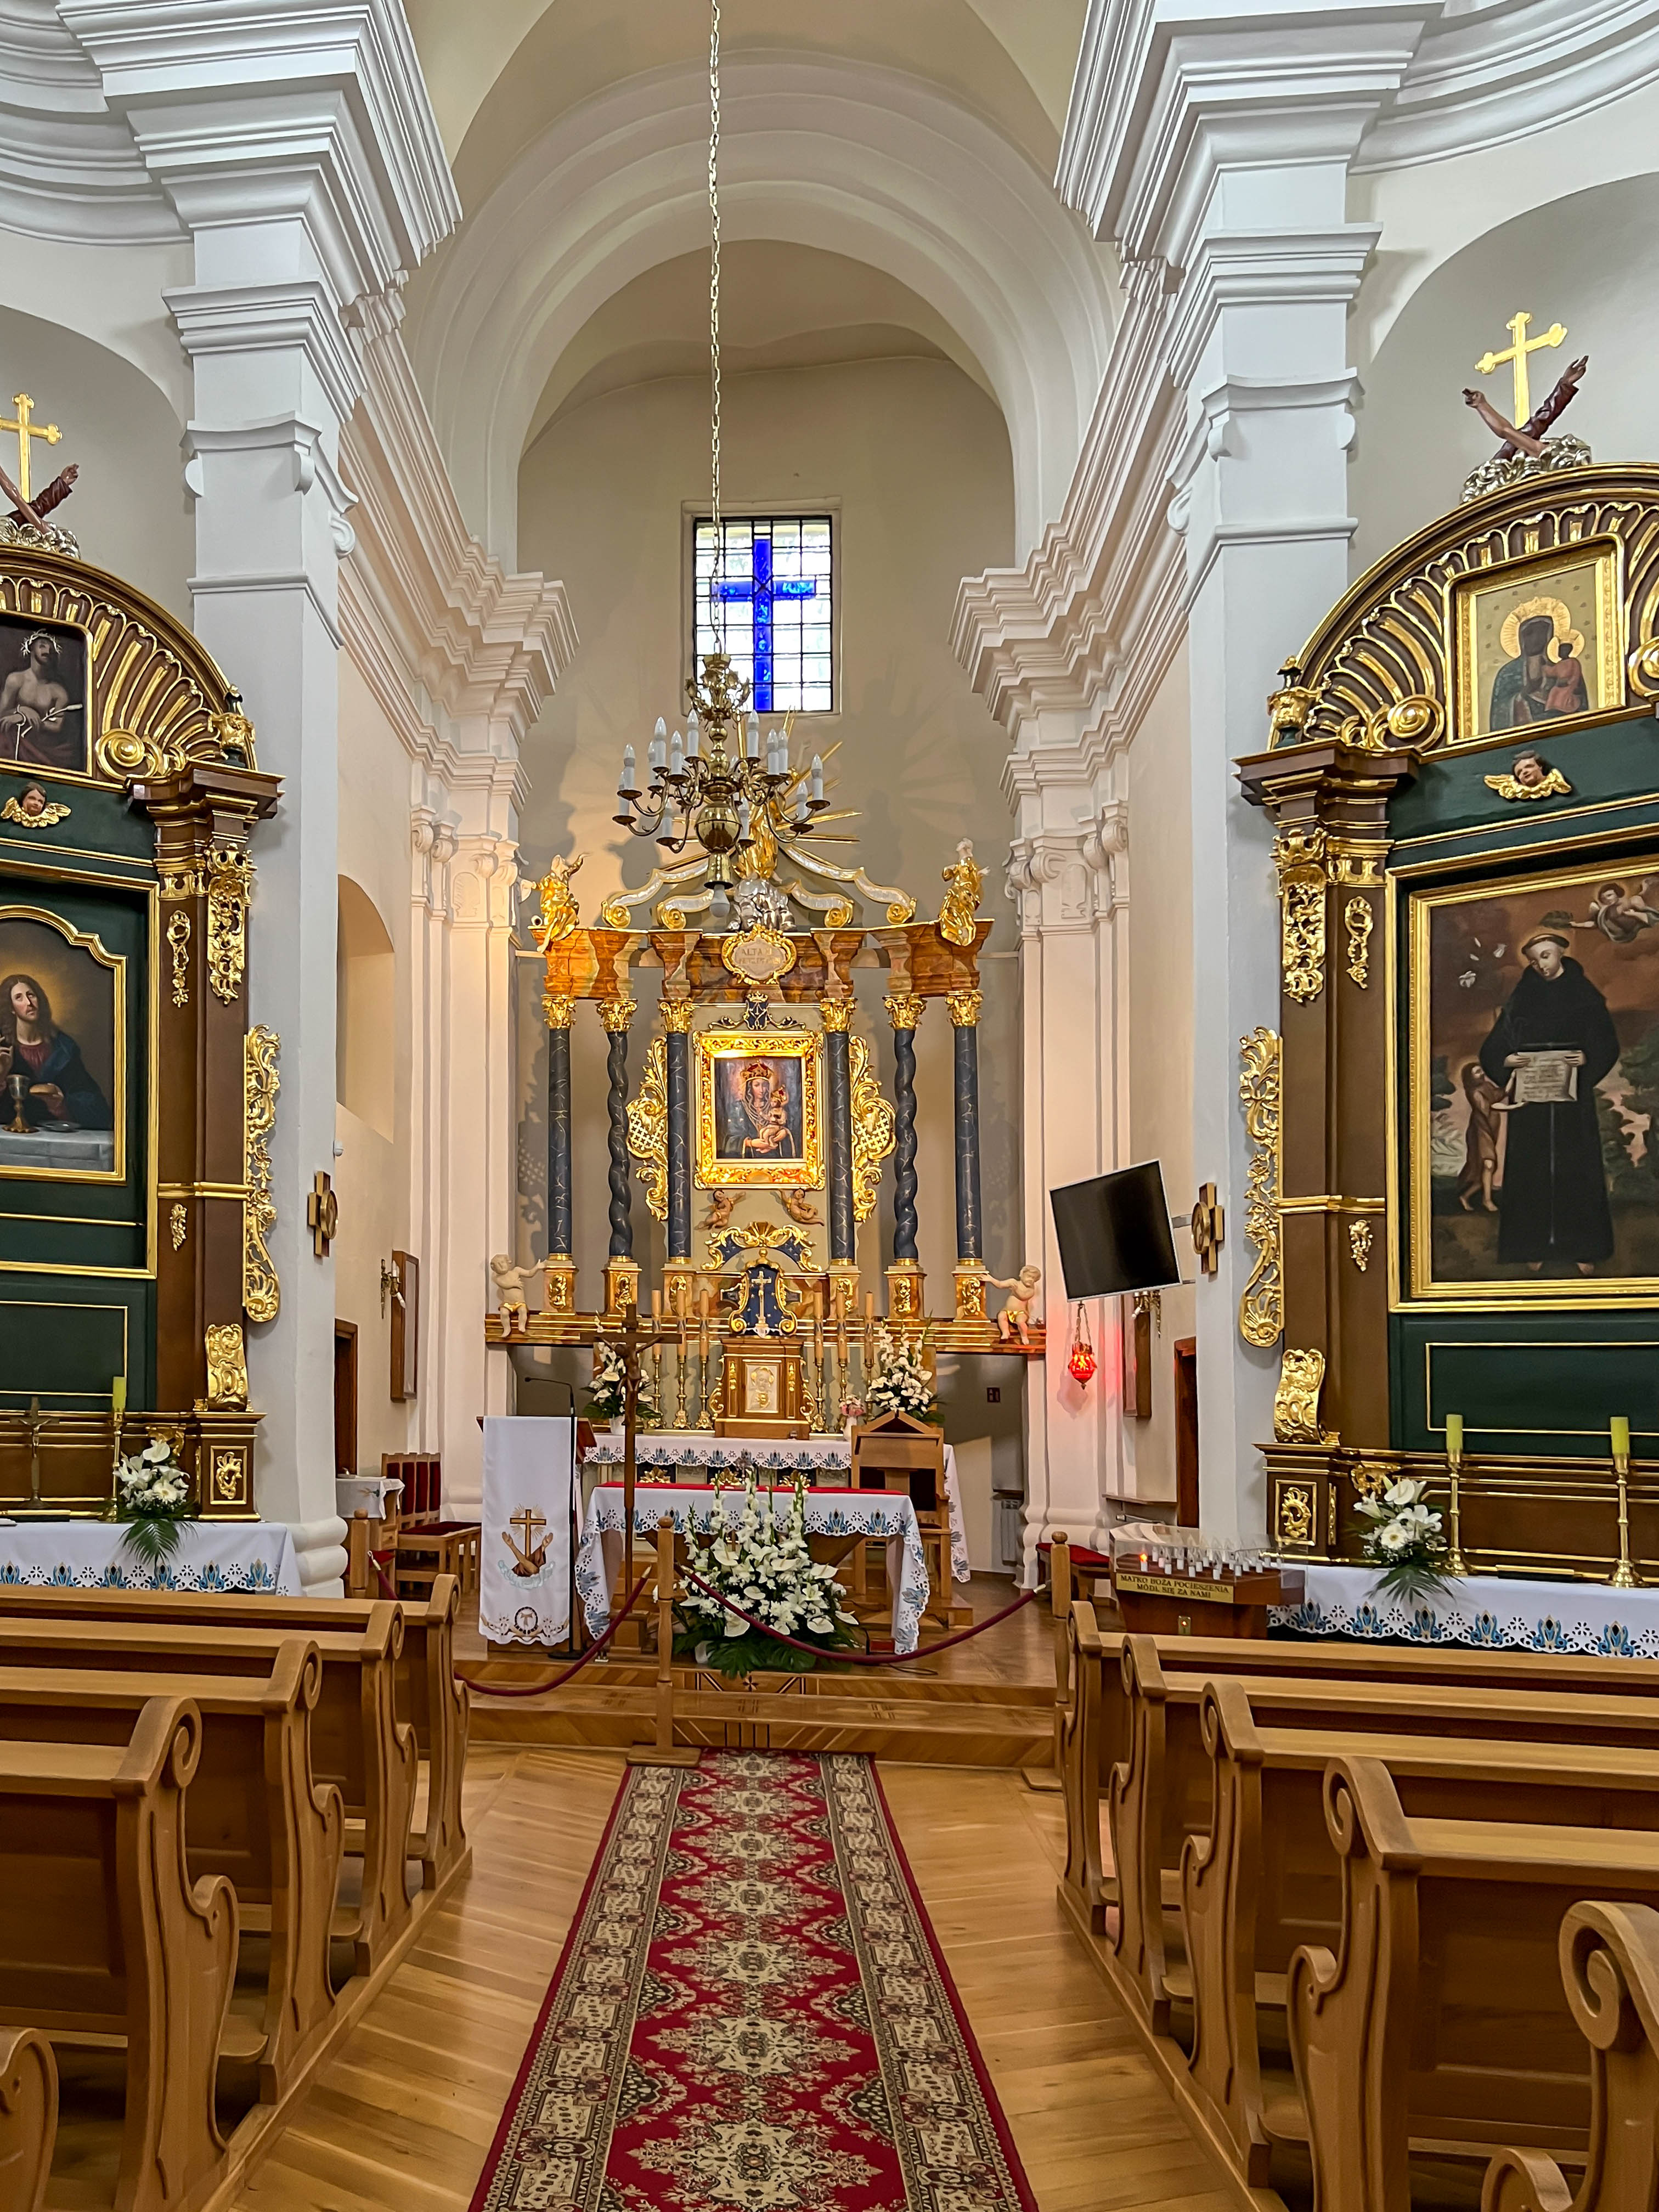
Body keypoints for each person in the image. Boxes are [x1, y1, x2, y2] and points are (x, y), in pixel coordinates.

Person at [1476, 929, 1618, 1272]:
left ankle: (1584, 1248)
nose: (1540, 965)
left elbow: (1606, 1041)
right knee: (1531, 1170)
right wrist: (1508, 1060)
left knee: (1577, 1169)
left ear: (1560, 953)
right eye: (1534, 960)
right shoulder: (1523, 996)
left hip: (1573, 1101)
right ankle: (1532, 1245)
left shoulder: (1584, 994)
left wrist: (1586, 1058)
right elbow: (1494, 1047)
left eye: (1546, 955)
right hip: (1532, 1104)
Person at [0, 971, 111, 1130]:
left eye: (31, 995)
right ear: (11, 1008)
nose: (29, 1003)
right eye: (19, 998)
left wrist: (62, 1104)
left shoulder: (64, 1048)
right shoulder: (3, 1048)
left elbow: (97, 1108)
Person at [1489, 612, 1589, 730]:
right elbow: (1499, 712)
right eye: (1530, 634)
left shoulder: (1566, 667)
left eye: (1541, 632)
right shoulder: (1509, 672)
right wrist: (1523, 694)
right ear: (1521, 639)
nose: (1536, 639)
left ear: (1549, 636)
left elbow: (1582, 707)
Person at [0, 633, 79, 770]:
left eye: (51, 649)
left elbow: (57, 726)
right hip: (12, 745)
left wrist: (32, 721)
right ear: (31, 648)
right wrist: (23, 711)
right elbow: (2, 714)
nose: (47, 651)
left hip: (42, 749)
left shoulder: (58, 691)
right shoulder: (16, 680)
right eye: (42, 646)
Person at [1455, 1060, 1506, 1214]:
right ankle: (1487, 1200)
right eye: (1477, 1072)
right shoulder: (1474, 1092)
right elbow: (1489, 1107)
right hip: (1480, 1131)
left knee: (1484, 1170)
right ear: (1470, 1077)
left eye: (1481, 1071)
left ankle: (1465, 1196)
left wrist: (1513, 1079)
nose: (1482, 1074)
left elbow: (1500, 1094)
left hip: (1490, 1129)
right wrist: (1513, 1107)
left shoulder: (1487, 1086)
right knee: (1488, 1165)